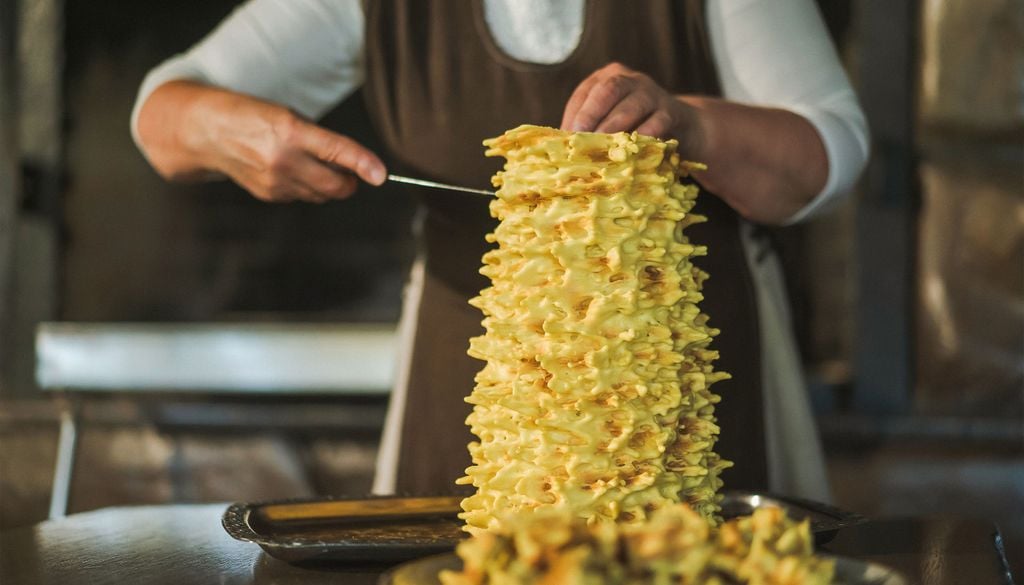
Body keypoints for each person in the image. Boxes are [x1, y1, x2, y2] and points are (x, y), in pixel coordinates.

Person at [132, 0, 868, 502]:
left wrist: (695, 128)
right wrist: (239, 133)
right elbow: (160, 115)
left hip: (685, 399)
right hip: (469, 389)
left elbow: (833, 149)